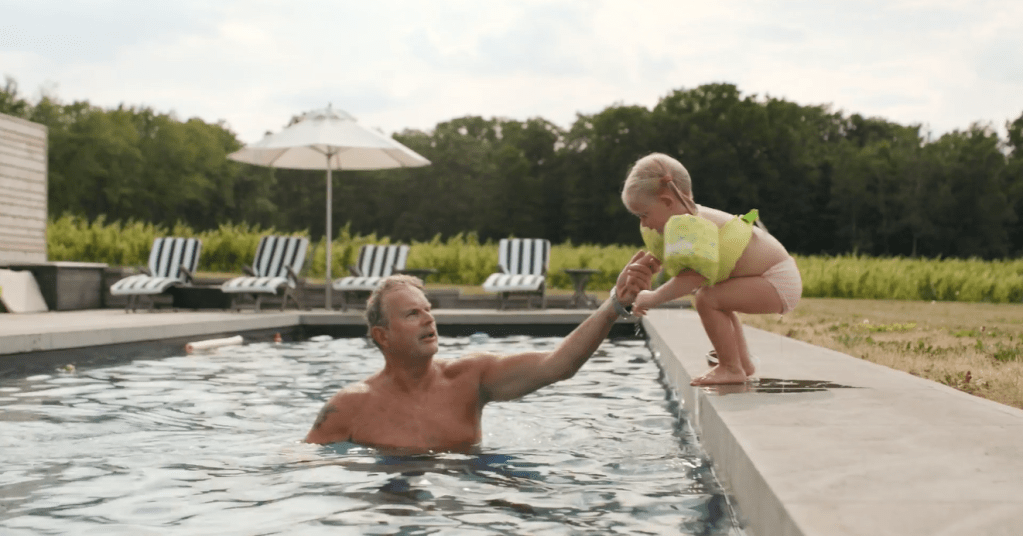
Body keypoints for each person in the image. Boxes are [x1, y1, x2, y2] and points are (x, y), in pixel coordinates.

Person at [304, 251, 659, 451]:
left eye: (428, 309)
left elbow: (558, 365)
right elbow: (304, 464)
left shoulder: (470, 377)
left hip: (469, 498)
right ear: (382, 336)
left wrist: (615, 305)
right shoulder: (349, 406)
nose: (429, 318)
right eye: (413, 314)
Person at [622, 152, 802, 386]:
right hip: (775, 277)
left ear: (667, 202)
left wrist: (653, 297)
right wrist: (653, 261)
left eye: (644, 215)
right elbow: (677, 255)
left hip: (776, 280)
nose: (643, 224)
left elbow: (692, 278)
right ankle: (742, 363)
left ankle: (731, 368)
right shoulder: (686, 219)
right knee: (717, 299)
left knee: (707, 298)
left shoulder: (692, 226)